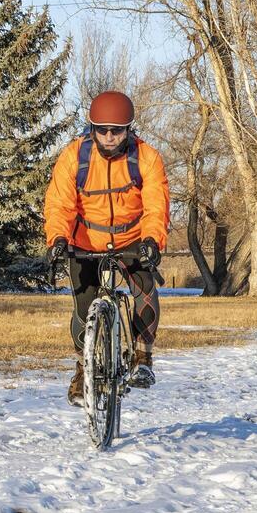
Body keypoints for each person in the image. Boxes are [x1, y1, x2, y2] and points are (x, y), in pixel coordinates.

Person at [43, 90, 170, 405]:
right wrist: (58, 239)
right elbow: (59, 204)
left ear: (129, 129)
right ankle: (83, 370)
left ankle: (143, 357)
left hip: (134, 239)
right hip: (85, 241)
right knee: (84, 308)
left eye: (117, 130)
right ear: (92, 128)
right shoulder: (74, 157)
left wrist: (153, 240)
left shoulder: (147, 158)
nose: (110, 137)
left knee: (144, 289)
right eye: (102, 130)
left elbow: (157, 205)